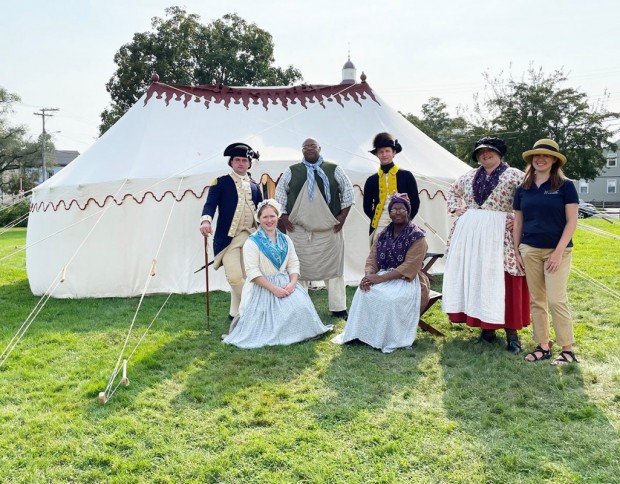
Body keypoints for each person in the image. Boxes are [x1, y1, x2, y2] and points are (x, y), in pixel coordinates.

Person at [442, 136, 530, 353]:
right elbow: (452, 191)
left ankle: (512, 333)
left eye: (489, 151)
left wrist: (519, 218)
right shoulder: (469, 175)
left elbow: (530, 199)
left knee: (503, 277)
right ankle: (487, 329)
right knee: (478, 277)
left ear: (500, 153)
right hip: (470, 234)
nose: (485, 155)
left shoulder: (515, 175)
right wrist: (457, 209)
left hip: (499, 232)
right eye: (481, 152)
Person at [223, 200, 333, 348]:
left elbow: (294, 263)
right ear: (259, 219)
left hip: (286, 283)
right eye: (265, 217)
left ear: (278, 216)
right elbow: (253, 273)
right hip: (262, 287)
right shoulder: (252, 242)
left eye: (272, 216)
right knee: (273, 319)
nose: (269, 220)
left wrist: (292, 284)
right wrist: (274, 289)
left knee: (300, 308)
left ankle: (295, 333)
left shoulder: (286, 239)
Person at [332, 194, 430, 353]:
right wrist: (368, 276)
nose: (397, 212)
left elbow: (409, 266)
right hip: (384, 276)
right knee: (363, 292)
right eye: (394, 209)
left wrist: (379, 278)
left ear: (408, 211)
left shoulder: (417, 237)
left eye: (402, 209)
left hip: (408, 280)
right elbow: (372, 258)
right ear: (389, 213)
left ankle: (386, 337)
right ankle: (361, 334)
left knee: (389, 298)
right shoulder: (382, 234)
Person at [513, 139, 579, 365]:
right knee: (537, 301)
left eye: (546, 156)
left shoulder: (565, 186)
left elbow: (572, 221)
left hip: (557, 251)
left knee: (556, 300)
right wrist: (516, 250)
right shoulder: (522, 188)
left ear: (554, 161)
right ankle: (543, 345)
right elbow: (518, 222)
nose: (540, 159)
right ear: (531, 159)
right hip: (529, 249)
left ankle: (567, 350)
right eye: (536, 156)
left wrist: (558, 252)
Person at [274, 137, 355, 319]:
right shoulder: (292, 171)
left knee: (334, 270)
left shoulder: (334, 169)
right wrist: (285, 217)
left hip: (329, 231)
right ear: (302, 150)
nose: (309, 148)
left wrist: (342, 217)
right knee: (298, 270)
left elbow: (348, 193)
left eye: (312, 145)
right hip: (300, 231)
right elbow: (279, 195)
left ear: (320, 148)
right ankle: (300, 305)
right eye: (305, 147)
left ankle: (338, 307)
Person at [199, 142, 262, 320]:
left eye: (244, 160)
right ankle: (257, 308)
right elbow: (210, 205)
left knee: (246, 276)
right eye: (237, 160)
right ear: (231, 163)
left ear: (249, 163)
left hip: (252, 238)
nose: (241, 163)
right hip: (229, 239)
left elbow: (261, 210)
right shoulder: (220, 182)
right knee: (234, 277)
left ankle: (235, 313)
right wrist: (205, 221)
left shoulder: (256, 185)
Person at [363, 132, 420, 243]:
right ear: (377, 154)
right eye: (381, 152)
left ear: (394, 153)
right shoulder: (371, 180)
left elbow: (415, 202)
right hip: (379, 226)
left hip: (402, 226)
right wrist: (377, 219)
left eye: (387, 151)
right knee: (377, 258)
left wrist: (405, 221)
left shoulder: (407, 176)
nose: (384, 154)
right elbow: (366, 207)